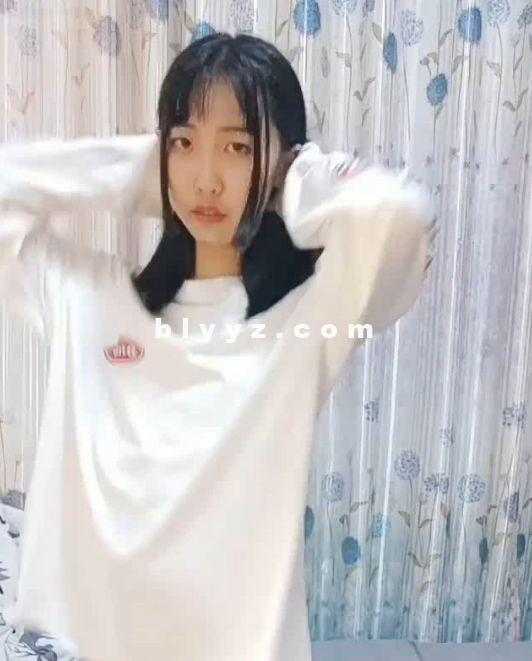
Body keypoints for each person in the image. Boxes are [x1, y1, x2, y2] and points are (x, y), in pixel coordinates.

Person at [0, 33, 435, 661]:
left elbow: (397, 214)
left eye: (238, 147)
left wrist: (292, 178)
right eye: (184, 143)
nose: (206, 179)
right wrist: (147, 174)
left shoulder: (308, 320)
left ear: (281, 161)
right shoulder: (90, 301)